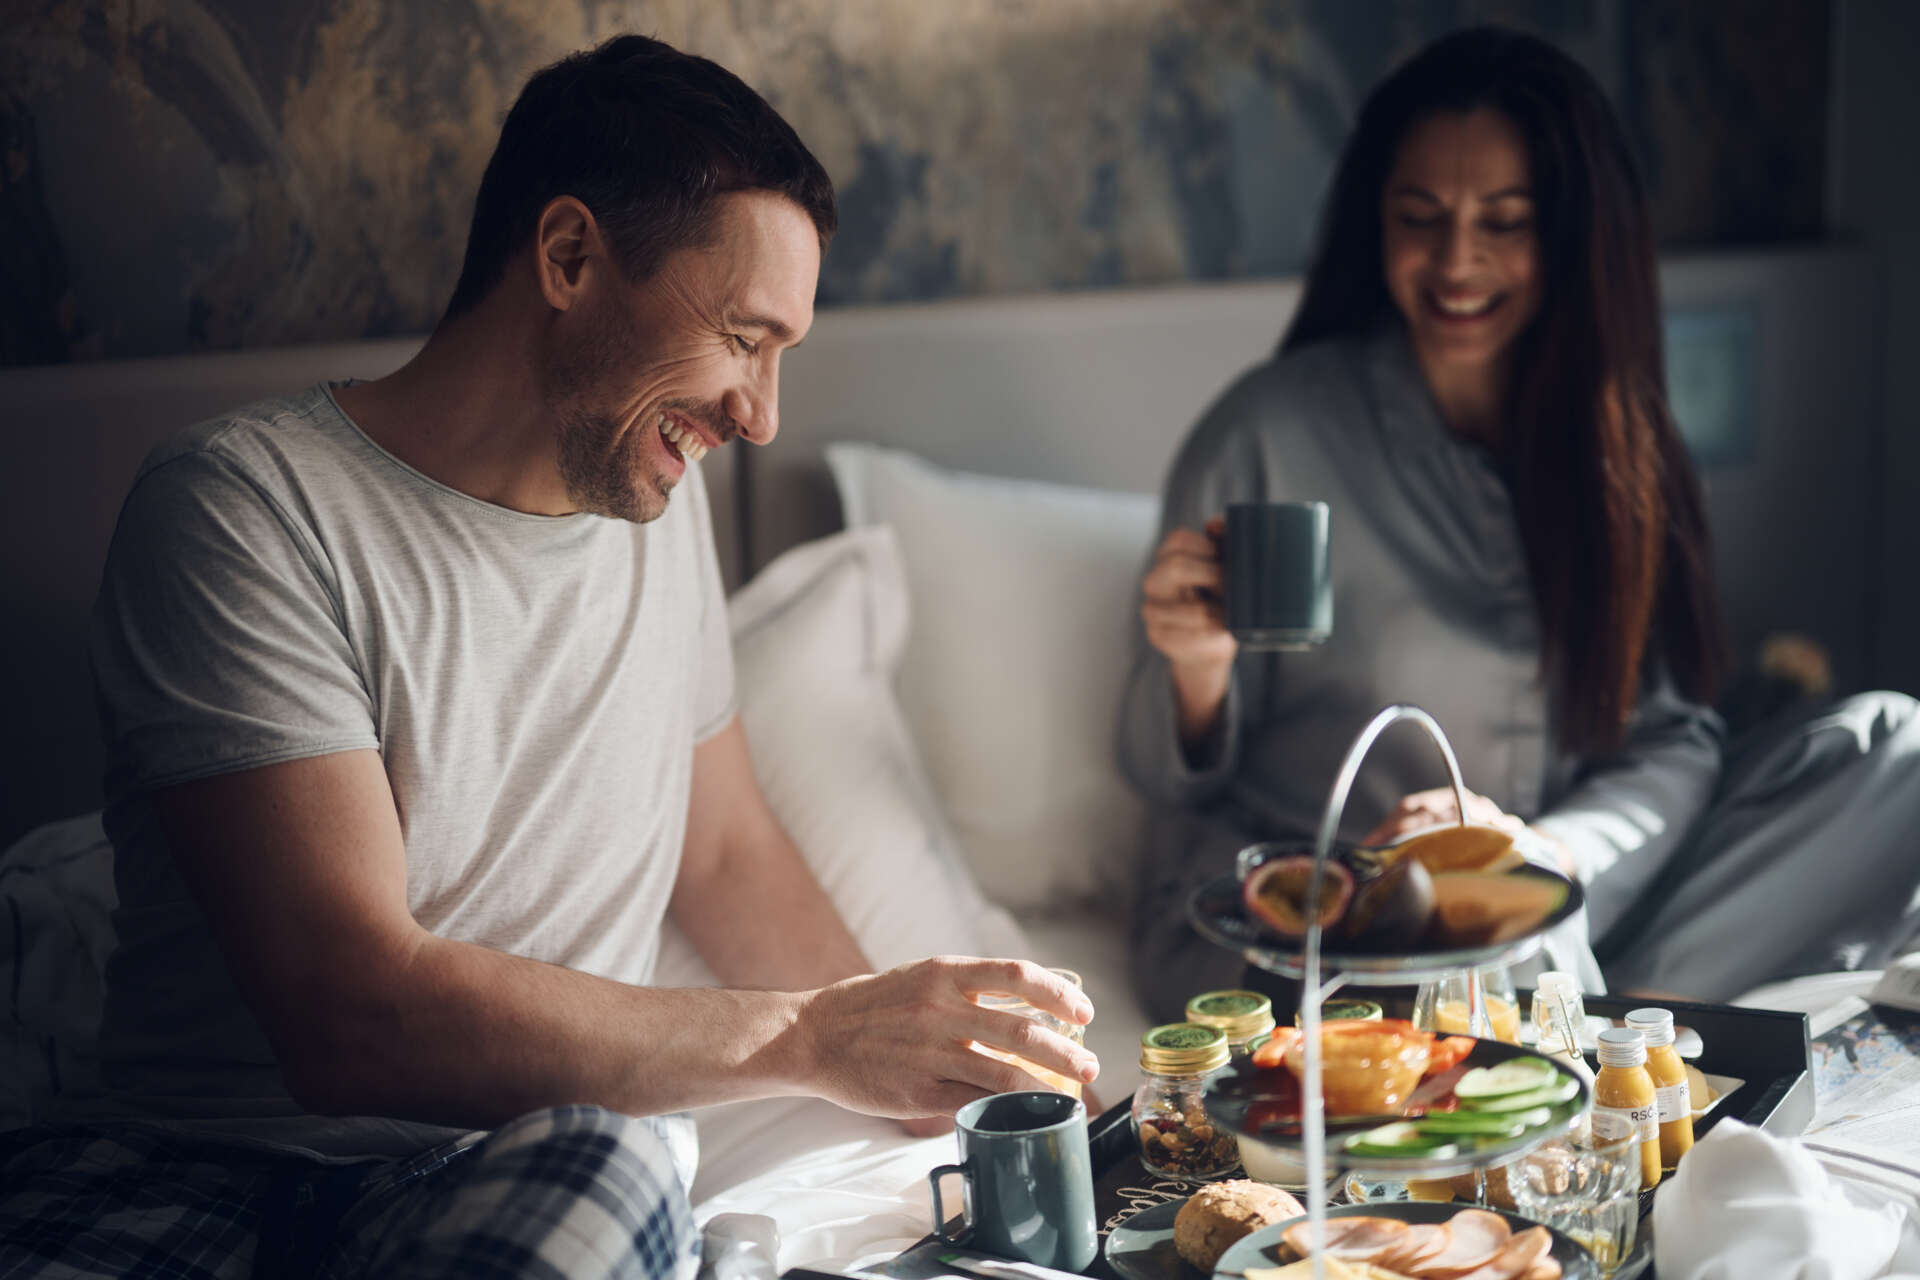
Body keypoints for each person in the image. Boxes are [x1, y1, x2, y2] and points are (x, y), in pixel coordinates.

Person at [0, 35, 1096, 1280]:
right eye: (744, 336)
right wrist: (808, 1035)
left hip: (517, 1157)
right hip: (198, 1167)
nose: (763, 413)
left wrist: (920, 1056)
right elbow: (350, 1016)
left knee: (609, 1167)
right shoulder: (246, 510)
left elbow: (724, 850)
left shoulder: (655, 509)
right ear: (570, 256)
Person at [1118, 25, 1920, 1020]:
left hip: (1566, 884)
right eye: (1421, 216)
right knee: (1465, 939)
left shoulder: (1626, 447)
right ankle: (1592, 1019)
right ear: (1378, 222)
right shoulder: (1266, 431)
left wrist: (1549, 854)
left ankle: (1584, 1007)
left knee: (1894, 748)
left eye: (1505, 220)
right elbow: (1162, 776)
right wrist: (1197, 670)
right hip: (1334, 922)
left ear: (1571, 235)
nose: (1459, 260)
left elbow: (1670, 739)